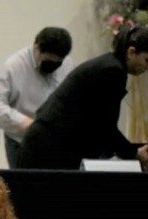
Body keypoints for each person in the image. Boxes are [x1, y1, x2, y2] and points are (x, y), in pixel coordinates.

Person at [17, 26, 148, 170]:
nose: (146, 68)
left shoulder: (107, 64)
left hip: (46, 144)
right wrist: (134, 153)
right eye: (146, 60)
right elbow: (105, 125)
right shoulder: (113, 71)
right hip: (49, 150)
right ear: (131, 52)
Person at [0, 27, 75, 168]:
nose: (52, 68)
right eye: (47, 62)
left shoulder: (68, 64)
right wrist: (29, 125)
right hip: (22, 141)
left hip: (57, 142)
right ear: (36, 48)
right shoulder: (13, 67)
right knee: (24, 186)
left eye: (57, 64)